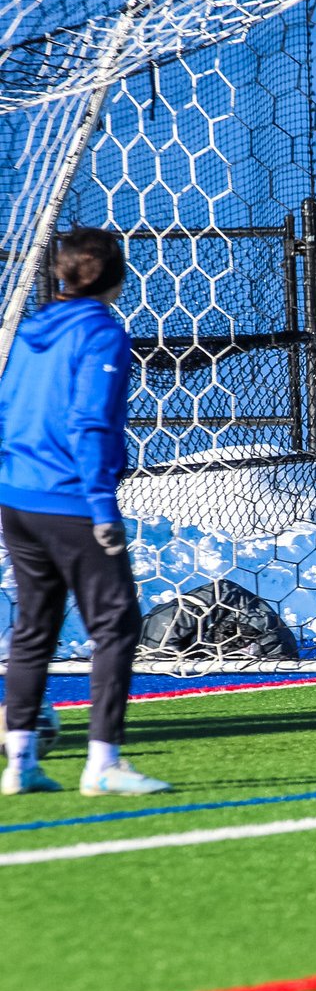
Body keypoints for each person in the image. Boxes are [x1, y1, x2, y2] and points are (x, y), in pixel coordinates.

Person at [0, 227, 170, 795]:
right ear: (120, 278)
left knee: (33, 626)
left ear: (57, 274)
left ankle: (20, 763)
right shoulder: (103, 335)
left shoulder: (29, 330)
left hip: (18, 499)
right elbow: (90, 423)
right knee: (116, 624)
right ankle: (103, 763)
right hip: (71, 499)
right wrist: (102, 508)